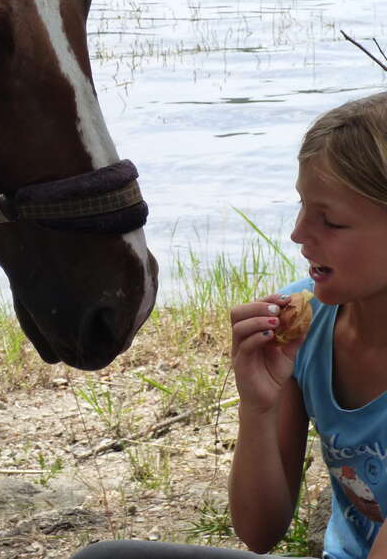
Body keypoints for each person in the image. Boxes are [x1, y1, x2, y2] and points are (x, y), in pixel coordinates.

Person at [70, 91, 387, 559]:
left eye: (331, 221)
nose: (299, 233)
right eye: (302, 206)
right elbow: (260, 532)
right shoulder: (307, 327)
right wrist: (258, 406)